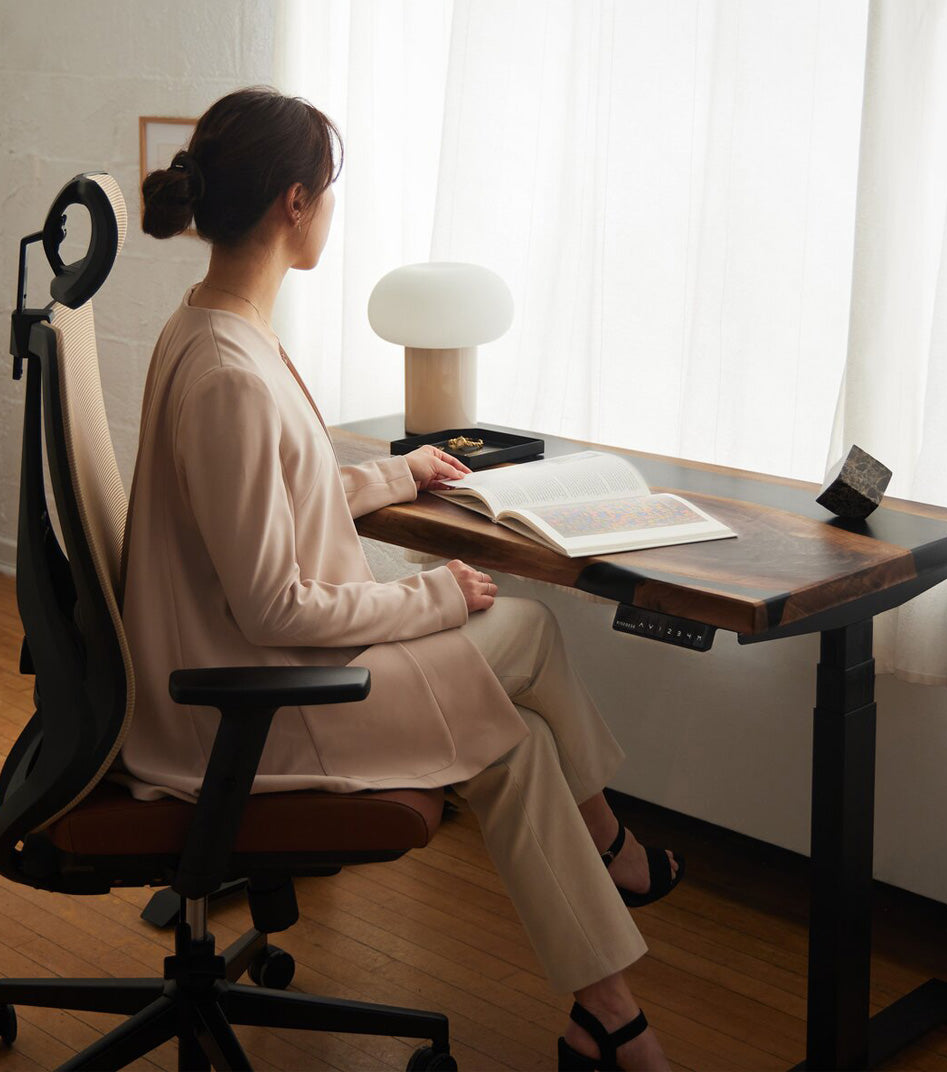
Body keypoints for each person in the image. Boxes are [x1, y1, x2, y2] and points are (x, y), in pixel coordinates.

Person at [124, 86, 682, 1071]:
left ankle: (607, 1010)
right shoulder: (231, 376)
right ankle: (609, 860)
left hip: (242, 666)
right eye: (329, 193)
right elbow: (274, 602)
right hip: (249, 698)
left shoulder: (209, 327)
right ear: (296, 202)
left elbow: (269, 496)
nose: (330, 211)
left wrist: (397, 472)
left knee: (508, 745)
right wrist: (432, 594)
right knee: (527, 632)